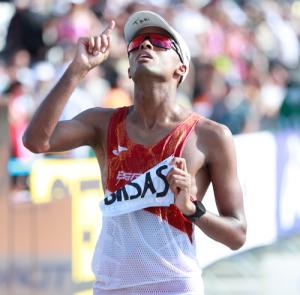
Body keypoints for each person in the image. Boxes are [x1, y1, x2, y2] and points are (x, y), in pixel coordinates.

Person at [23, 10, 247, 295]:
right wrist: (77, 69)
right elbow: (36, 141)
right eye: (137, 43)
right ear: (128, 69)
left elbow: (237, 234)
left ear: (181, 68)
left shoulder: (210, 136)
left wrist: (193, 210)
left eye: (160, 42)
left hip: (174, 285)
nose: (145, 45)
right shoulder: (102, 123)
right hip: (111, 285)